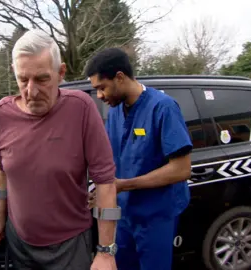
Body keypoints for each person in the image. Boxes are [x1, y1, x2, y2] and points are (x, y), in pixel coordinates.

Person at [0, 29, 120, 270]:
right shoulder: (1, 114)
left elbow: (105, 183)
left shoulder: (81, 109)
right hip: (20, 243)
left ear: (61, 73)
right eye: (23, 79)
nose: (31, 92)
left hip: (69, 247)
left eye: (42, 79)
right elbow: (2, 172)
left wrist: (105, 252)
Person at [85, 48, 193, 270]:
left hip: (156, 217)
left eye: (101, 88)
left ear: (120, 77)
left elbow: (181, 169)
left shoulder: (162, 108)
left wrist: (124, 185)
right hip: (124, 215)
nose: (100, 96)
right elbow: (109, 158)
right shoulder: (115, 111)